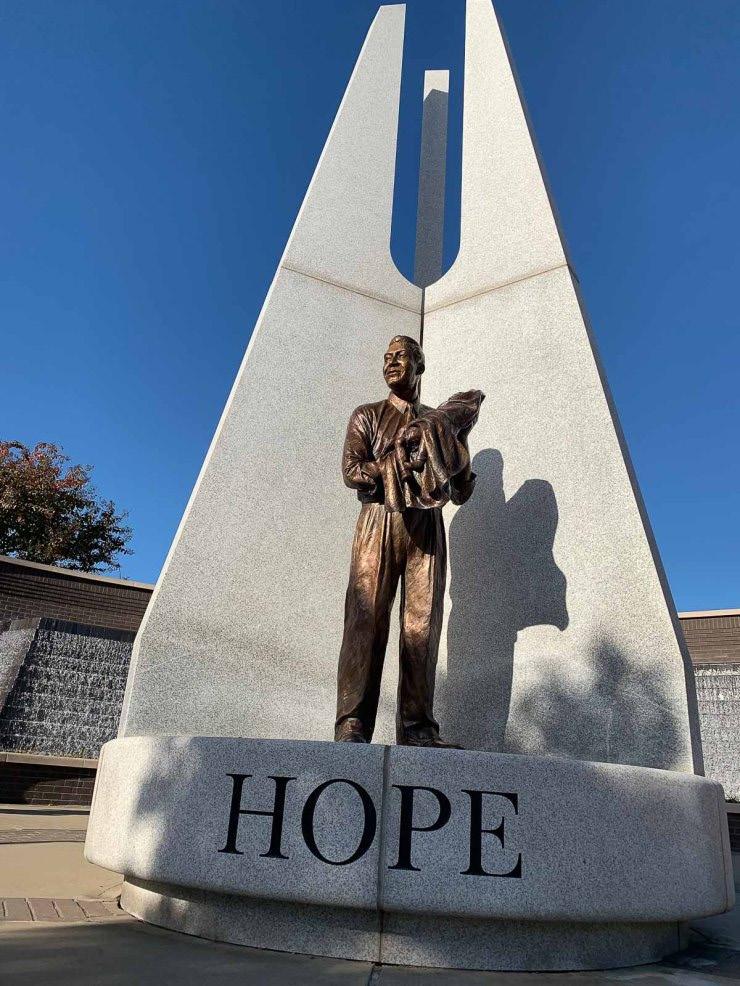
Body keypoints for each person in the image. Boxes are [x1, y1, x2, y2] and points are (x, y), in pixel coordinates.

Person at [335, 334, 483, 746]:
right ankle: (352, 723)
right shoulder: (366, 415)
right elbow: (351, 471)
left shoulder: (438, 420)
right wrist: (398, 462)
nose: (391, 362)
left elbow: (461, 491)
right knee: (365, 619)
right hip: (379, 518)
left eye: (400, 356)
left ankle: (417, 727)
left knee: (422, 624)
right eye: (386, 357)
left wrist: (458, 450)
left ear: (419, 365)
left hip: (426, 526)